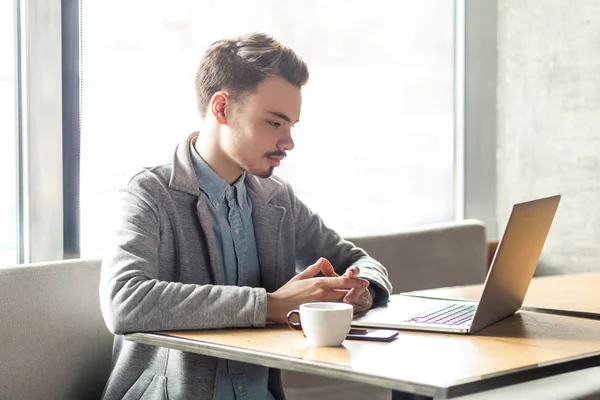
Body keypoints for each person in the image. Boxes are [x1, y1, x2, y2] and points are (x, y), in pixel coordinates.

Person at [99, 32, 392, 400]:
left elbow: (359, 261)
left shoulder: (276, 197)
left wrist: (363, 290)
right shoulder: (149, 194)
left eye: (291, 126)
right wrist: (272, 305)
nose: (288, 142)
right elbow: (125, 301)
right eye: (274, 123)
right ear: (221, 108)